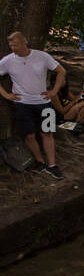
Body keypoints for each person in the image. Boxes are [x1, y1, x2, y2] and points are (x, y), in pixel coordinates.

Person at [0, 31, 67, 178]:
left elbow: (61, 71)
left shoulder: (41, 56)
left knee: (47, 133)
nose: (13, 48)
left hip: (44, 103)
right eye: (10, 45)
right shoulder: (7, 61)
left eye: (15, 44)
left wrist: (54, 91)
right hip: (22, 104)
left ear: (24, 43)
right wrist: (6, 95)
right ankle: (40, 162)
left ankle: (52, 165)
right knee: (29, 136)